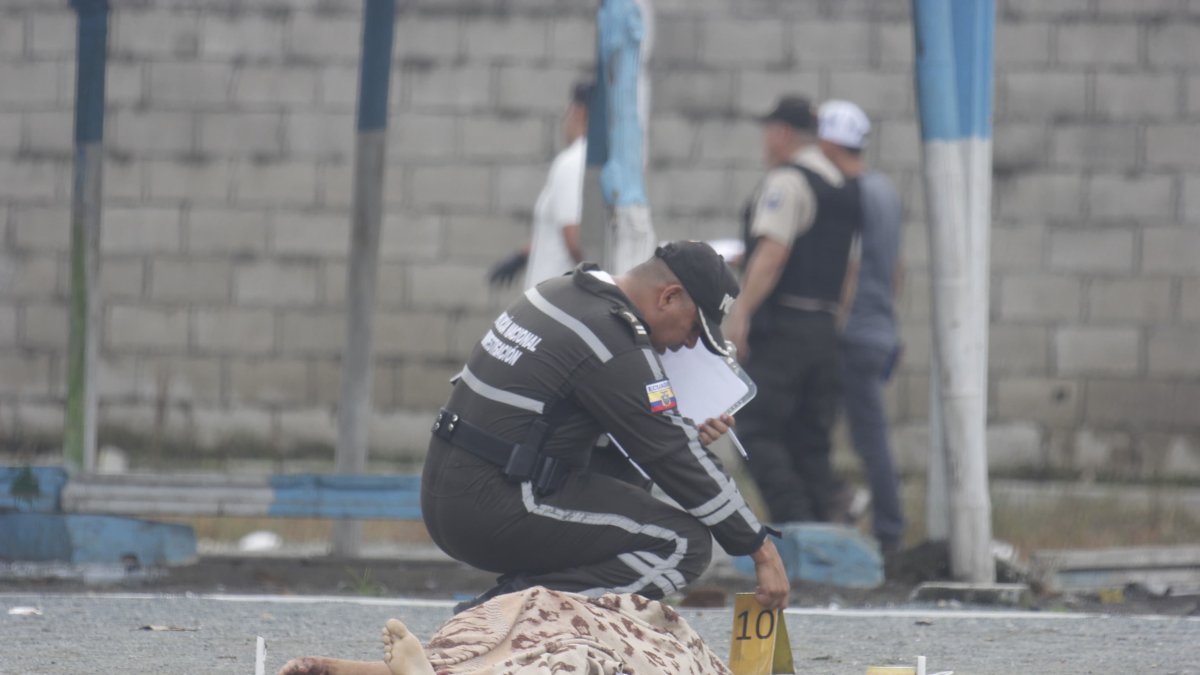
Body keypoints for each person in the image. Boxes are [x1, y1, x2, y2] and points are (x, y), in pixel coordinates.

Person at [427, 241, 789, 613]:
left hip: (456, 492)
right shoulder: (612, 336)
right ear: (669, 297)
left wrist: (680, 431)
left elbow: (620, 435)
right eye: (696, 327)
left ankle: (515, 614)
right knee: (681, 543)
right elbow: (671, 453)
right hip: (493, 503)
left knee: (633, 484)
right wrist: (760, 549)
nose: (689, 343)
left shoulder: (563, 292)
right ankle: (498, 619)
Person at [724, 95, 863, 525]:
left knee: (754, 429)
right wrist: (832, 322)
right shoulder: (842, 189)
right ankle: (826, 529)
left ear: (782, 134)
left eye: (768, 132)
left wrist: (741, 311)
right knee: (809, 438)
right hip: (823, 329)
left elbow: (773, 253)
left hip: (783, 328)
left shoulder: (787, 182)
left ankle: (795, 523)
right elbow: (849, 270)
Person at [277, 586, 733, 675]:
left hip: (592, 631)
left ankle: (432, 670)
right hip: (577, 614)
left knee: (575, 655)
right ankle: (437, 669)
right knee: (540, 618)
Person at [817, 100, 905, 554]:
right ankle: (850, 513)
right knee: (865, 435)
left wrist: (838, 322)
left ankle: (889, 534)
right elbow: (896, 268)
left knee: (868, 440)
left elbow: (849, 266)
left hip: (856, 333)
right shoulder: (885, 190)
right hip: (882, 328)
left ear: (830, 143)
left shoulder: (850, 193)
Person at [488, 81, 591, 289]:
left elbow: (574, 239)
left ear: (578, 111)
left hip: (557, 299)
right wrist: (522, 255)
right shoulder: (587, 160)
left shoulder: (574, 161)